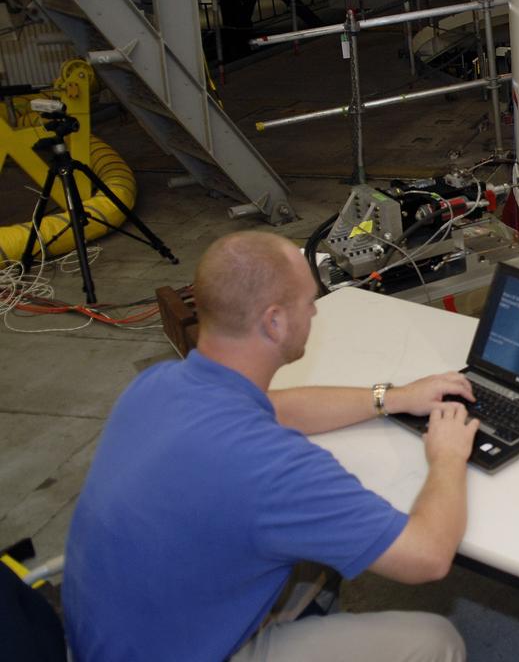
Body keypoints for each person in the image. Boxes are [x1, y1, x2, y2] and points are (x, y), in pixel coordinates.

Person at [62, 231, 480, 662]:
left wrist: (393, 397)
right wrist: (447, 456)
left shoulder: (158, 384)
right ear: (274, 321)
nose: (315, 311)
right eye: (308, 301)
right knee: (435, 640)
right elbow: (428, 556)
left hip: (102, 639)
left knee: (311, 549)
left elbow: (277, 408)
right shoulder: (275, 468)